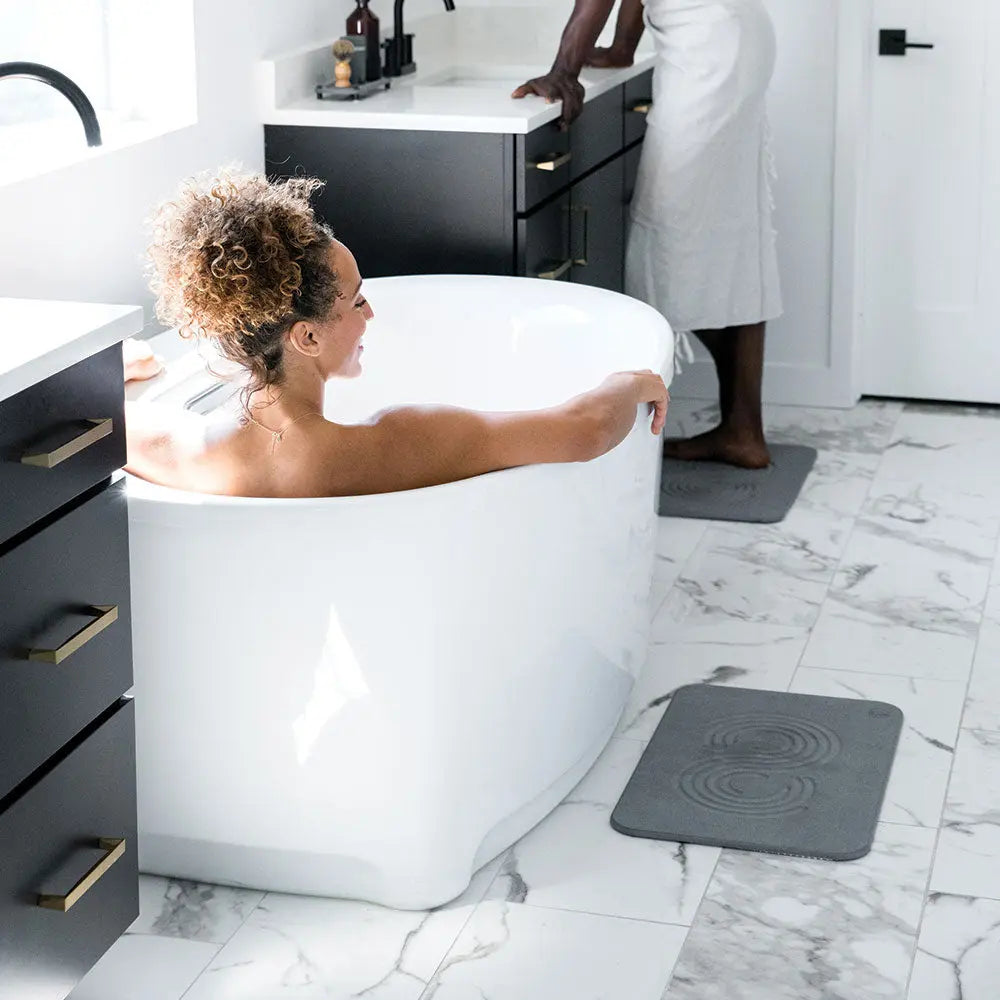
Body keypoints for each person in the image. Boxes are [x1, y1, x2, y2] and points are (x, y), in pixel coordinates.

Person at [123, 169, 668, 498]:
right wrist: (630, 380)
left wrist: (117, 369)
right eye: (357, 299)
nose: (371, 314)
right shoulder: (385, 446)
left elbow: (94, 415)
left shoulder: (180, 450)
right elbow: (584, 431)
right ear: (307, 338)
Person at [513, 0, 781, 469]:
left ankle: (665, 443)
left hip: (710, 51)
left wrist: (563, 71)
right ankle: (743, 429)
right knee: (734, 238)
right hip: (733, 36)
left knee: (668, 237)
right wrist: (621, 46)